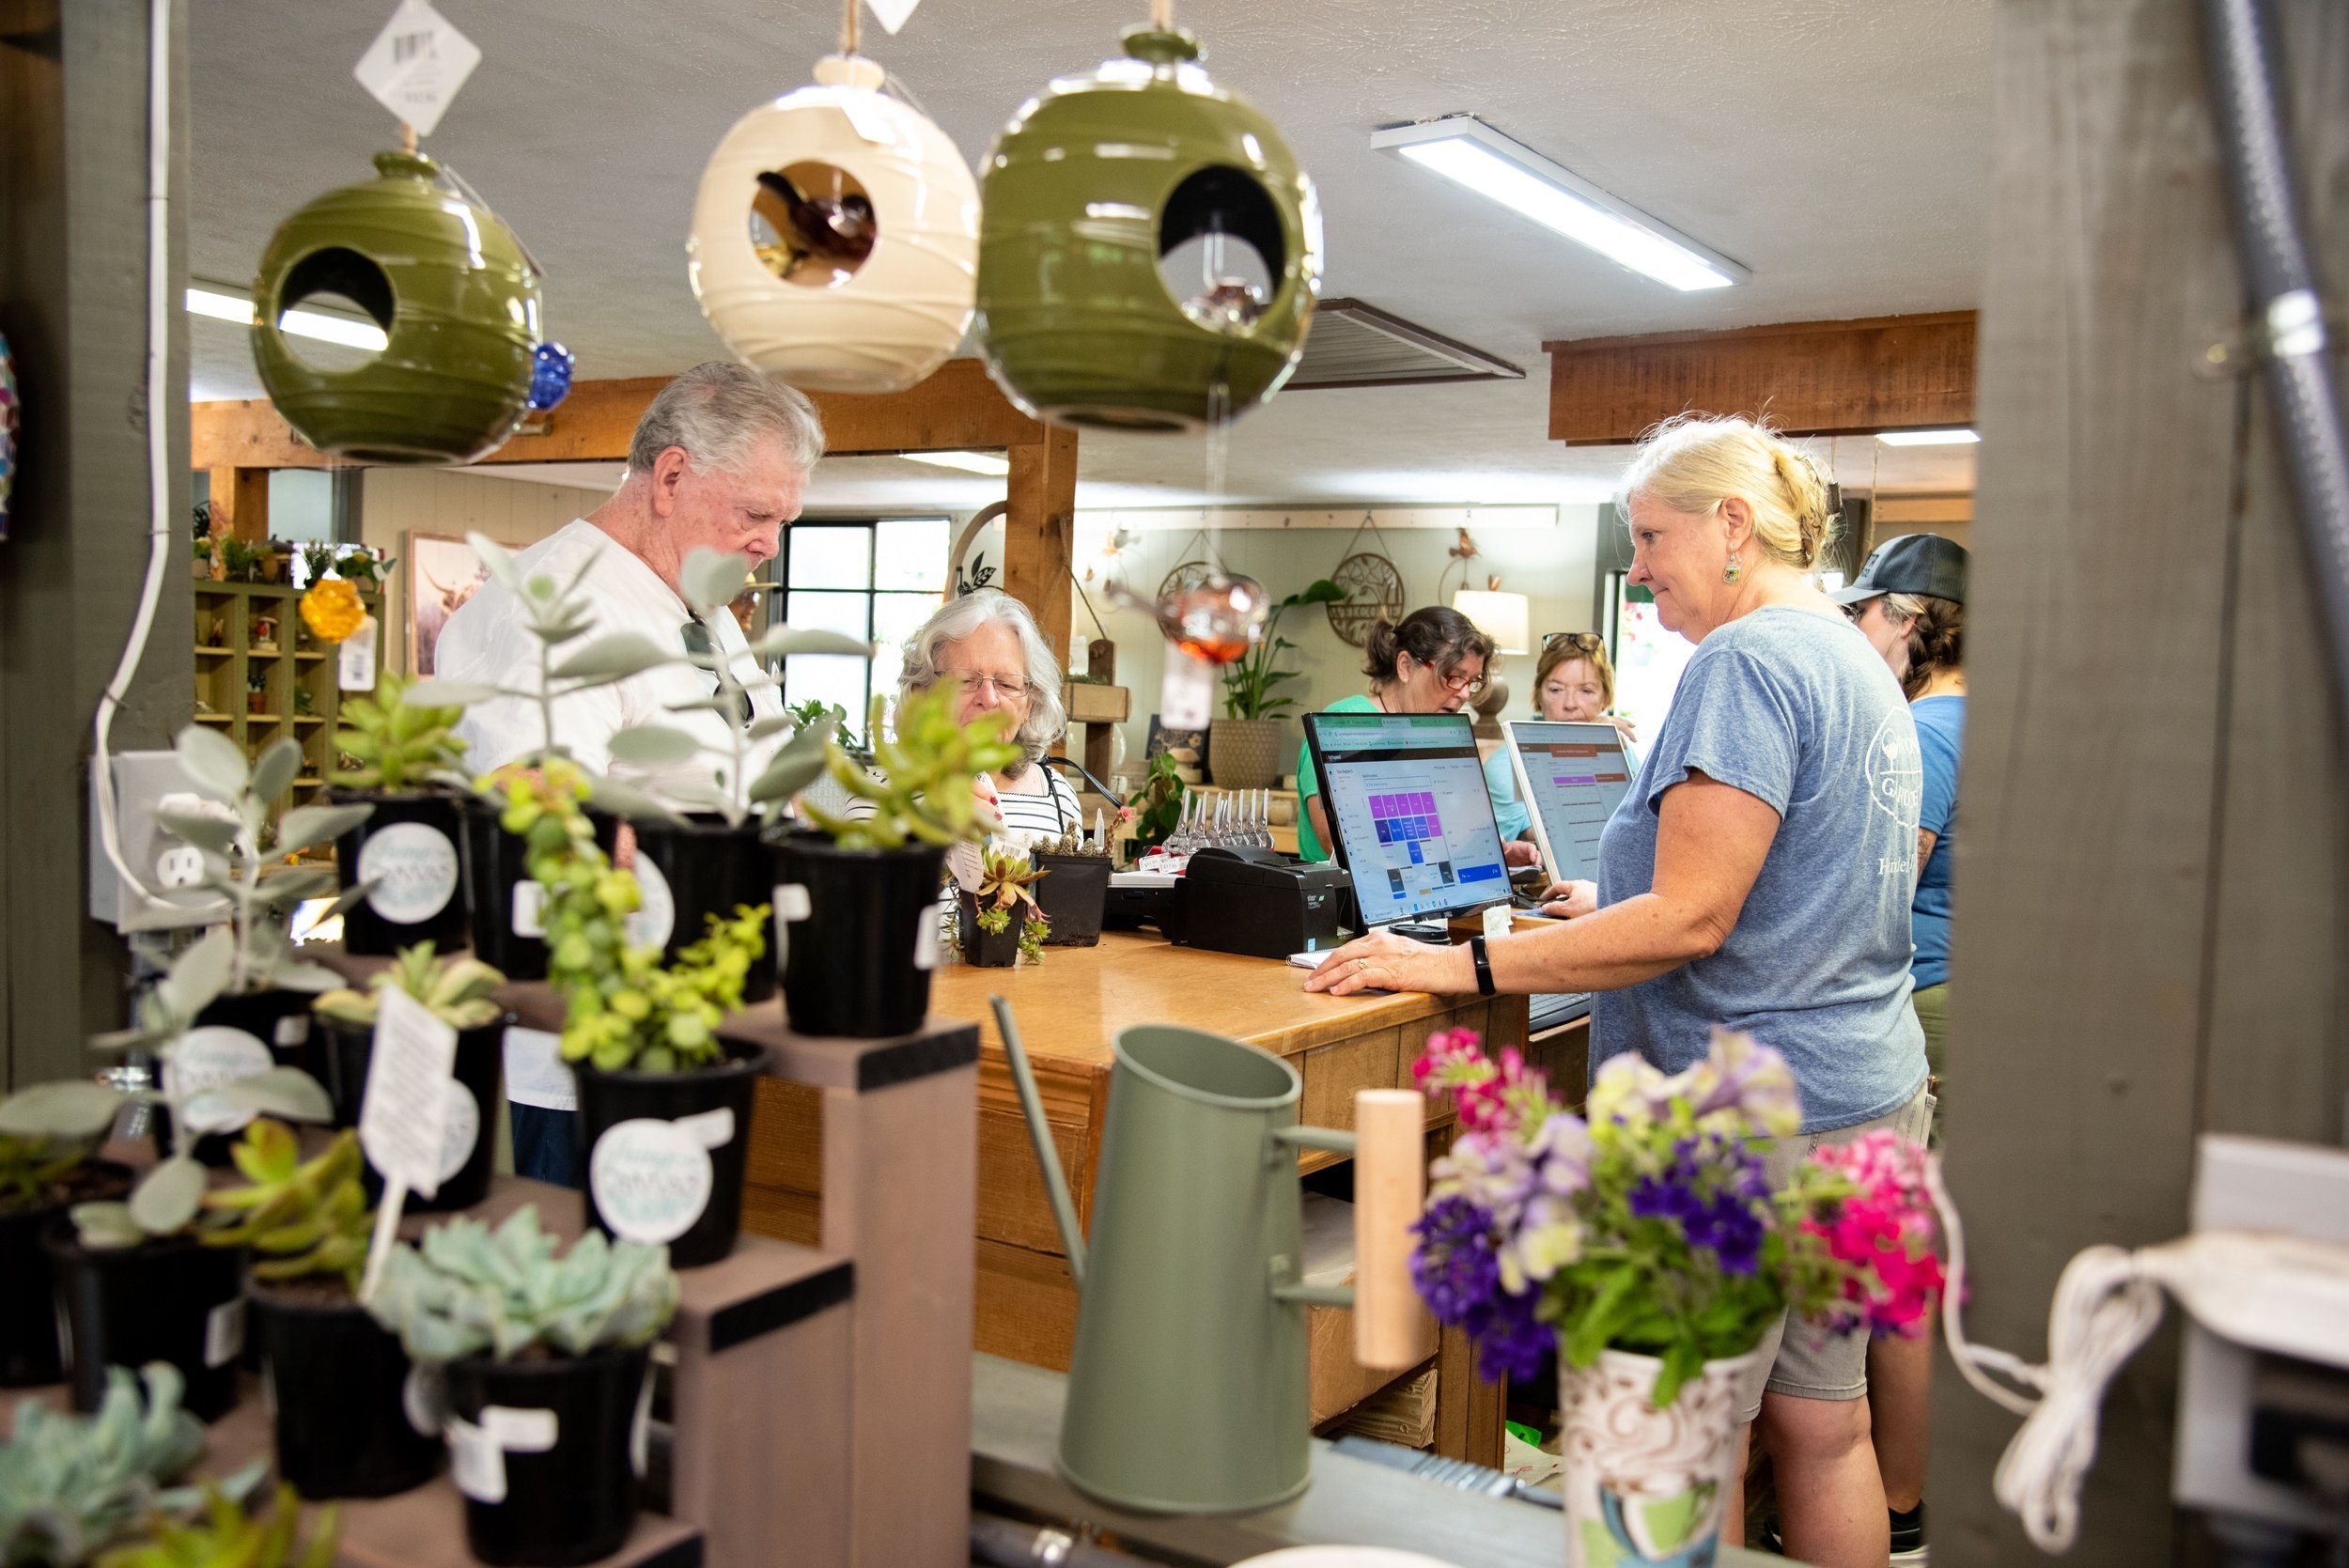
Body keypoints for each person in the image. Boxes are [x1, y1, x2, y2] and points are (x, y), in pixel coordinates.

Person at [1306, 415, 1928, 1568]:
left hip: (1737, 1121)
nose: (1636, 571)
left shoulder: (1745, 661)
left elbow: (1693, 919)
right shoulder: (1851, 655)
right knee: (1824, 1422)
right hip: (1860, 1097)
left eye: (1649, 537)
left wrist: (1456, 962)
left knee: (1678, 1441)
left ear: (1732, 526)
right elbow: (1793, 879)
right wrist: (1617, 892)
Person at [435, 361, 824, 1187]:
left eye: (783, 519)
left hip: (701, 1018)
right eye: (756, 513)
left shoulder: (706, 608)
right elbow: (546, 825)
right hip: (586, 1059)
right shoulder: (551, 602)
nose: (769, 541)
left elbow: (764, 773)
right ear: (672, 475)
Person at [1832, 531, 1968, 1565]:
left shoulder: (1926, 729)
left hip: (1919, 997)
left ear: (1909, 621)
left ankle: (1892, 1496)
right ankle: (1907, 1498)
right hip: (1969, 987)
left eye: (1868, 612)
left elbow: (1883, 885)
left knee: (1885, 1273)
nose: (1858, 631)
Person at [1295, 606, 1536, 868]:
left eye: (1472, 681)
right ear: (1405, 666)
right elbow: (1340, 843)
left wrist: (1494, 851)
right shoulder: (1342, 727)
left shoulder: (1439, 735)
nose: (1465, 694)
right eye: (1453, 677)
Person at [851, 588, 1081, 849]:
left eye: (1006, 684)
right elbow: (859, 886)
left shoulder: (1059, 797)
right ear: (922, 694)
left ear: (1029, 705)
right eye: (965, 679)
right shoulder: (880, 791)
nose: (989, 698)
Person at [1482, 630, 1639, 844]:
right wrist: (1586, 747)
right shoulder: (1506, 763)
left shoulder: (1621, 752)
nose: (1570, 704)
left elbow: (1648, 830)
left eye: (1586, 690)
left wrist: (1603, 748)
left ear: (1606, 697)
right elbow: (1552, 838)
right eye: (1556, 689)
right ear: (1538, 694)